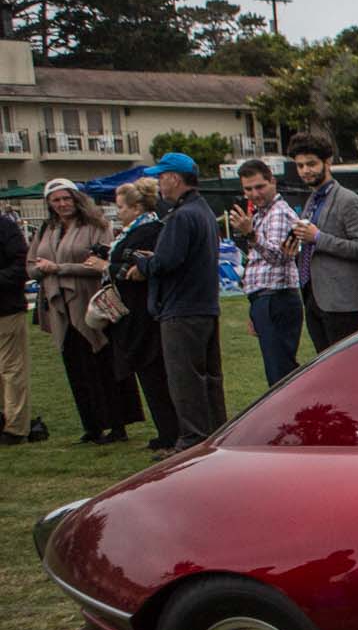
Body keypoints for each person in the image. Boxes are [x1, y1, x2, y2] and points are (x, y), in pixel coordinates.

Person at [29, 179, 137, 444]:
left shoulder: (96, 226)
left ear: (76, 199)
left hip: (91, 305)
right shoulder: (47, 229)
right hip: (61, 308)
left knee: (103, 365)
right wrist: (41, 270)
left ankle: (117, 425)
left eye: (66, 198)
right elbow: (31, 263)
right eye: (56, 200)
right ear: (49, 204)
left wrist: (60, 268)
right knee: (76, 368)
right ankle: (91, 425)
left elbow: (101, 264)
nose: (62, 204)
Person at [142, 153, 227, 453]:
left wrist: (143, 266)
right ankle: (215, 435)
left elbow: (167, 262)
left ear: (174, 178)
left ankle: (192, 440)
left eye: (161, 177)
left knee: (185, 379)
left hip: (182, 309)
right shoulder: (202, 211)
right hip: (205, 306)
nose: (159, 183)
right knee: (210, 379)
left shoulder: (181, 216)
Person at [103, 181, 179, 449]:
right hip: (133, 312)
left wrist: (108, 266)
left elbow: (139, 268)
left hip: (144, 313)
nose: (118, 211)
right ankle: (165, 429)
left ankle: (171, 430)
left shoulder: (150, 231)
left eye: (121, 207)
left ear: (136, 207)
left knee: (155, 371)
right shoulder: (134, 231)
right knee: (148, 372)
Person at [287, 131, 358, 352]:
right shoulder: (313, 199)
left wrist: (318, 237)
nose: (305, 171)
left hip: (342, 301)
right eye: (300, 166)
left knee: (344, 367)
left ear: (327, 162)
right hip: (314, 295)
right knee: (324, 366)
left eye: (311, 164)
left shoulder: (347, 200)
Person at [223, 160, 304, 387]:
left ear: (273, 182)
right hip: (264, 298)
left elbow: (280, 257)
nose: (254, 194)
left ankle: (290, 418)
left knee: (281, 373)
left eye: (260, 187)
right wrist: (254, 306)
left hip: (277, 298)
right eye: (248, 189)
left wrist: (251, 235)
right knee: (276, 370)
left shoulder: (279, 213)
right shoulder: (261, 214)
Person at [0, 198, 33, 445]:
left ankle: (16, 426)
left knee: (11, 369)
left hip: (6, 310)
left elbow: (20, 266)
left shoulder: (6, 228)